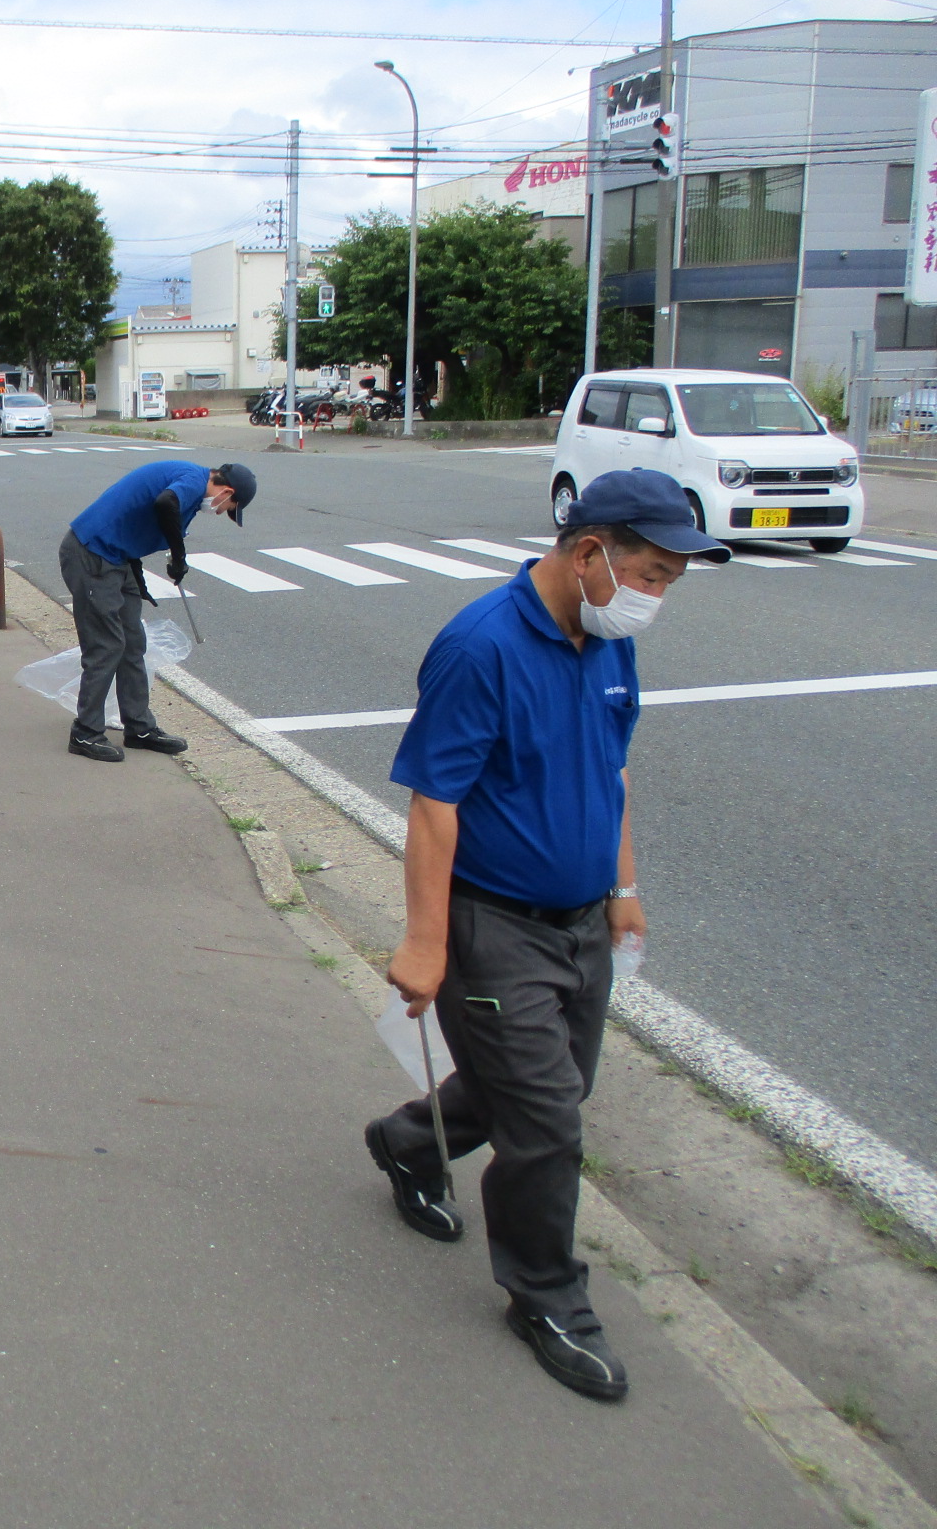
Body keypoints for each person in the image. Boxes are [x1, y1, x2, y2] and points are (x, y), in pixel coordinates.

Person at [363, 469, 728, 1401]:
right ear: (588, 550)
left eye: (669, 582)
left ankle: (411, 1143)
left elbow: (613, 775)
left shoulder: (607, 644)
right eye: (648, 573)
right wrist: (425, 942)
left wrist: (624, 887)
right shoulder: (479, 647)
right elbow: (435, 804)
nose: (654, 596)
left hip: (579, 924)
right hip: (494, 926)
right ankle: (548, 1295)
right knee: (549, 1121)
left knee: (546, 1088)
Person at [58, 459, 255, 761]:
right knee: (107, 645)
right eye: (228, 506)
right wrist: (179, 555)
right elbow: (166, 502)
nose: (220, 511)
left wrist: (176, 559)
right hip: (92, 555)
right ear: (226, 491)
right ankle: (85, 733)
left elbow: (163, 513)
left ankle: (139, 728)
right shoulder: (192, 480)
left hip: (118, 559)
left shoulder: (190, 487)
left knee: (134, 643)